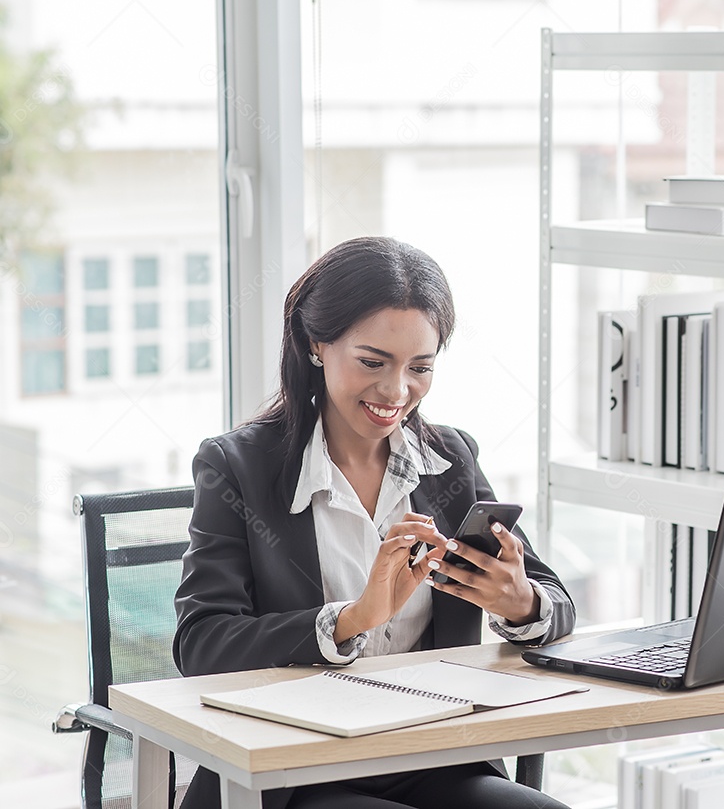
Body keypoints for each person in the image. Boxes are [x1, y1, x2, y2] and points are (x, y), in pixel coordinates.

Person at [173, 237, 576, 809]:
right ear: (317, 345)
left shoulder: (449, 459)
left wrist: (519, 603)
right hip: (293, 770)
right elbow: (201, 645)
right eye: (372, 362)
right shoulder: (236, 466)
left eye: (420, 368)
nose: (396, 391)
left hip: (434, 756)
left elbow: (557, 604)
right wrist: (351, 620)